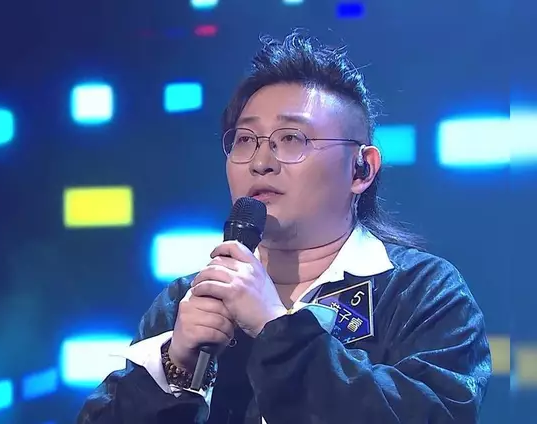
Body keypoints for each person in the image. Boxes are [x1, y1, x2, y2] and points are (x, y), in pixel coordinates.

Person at [77, 30, 491, 424]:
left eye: (292, 139)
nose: (261, 162)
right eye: (245, 139)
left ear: (361, 169)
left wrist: (274, 328)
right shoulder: (187, 300)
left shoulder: (421, 292)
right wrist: (176, 364)